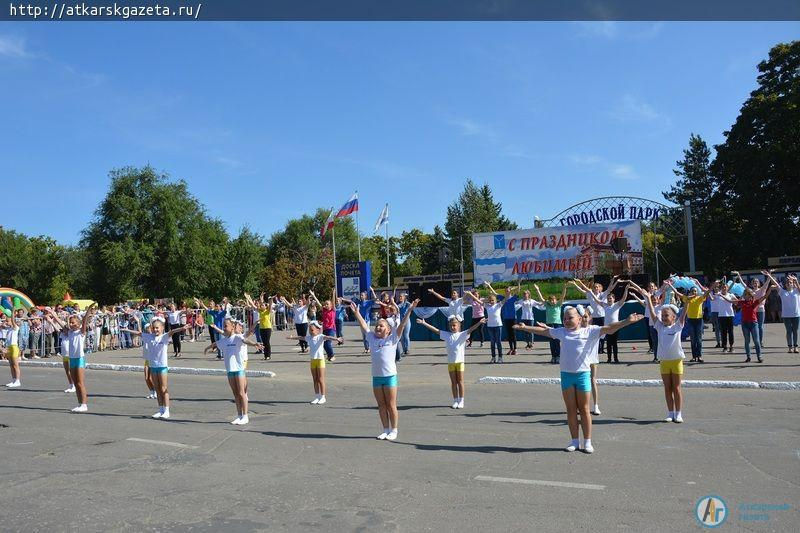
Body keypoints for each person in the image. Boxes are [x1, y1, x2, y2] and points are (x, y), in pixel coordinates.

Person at [515, 307, 643, 453]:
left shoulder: (590, 331)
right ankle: (574, 441)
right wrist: (525, 328)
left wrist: (626, 321)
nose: (567, 321)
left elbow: (609, 329)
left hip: (582, 375)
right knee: (570, 410)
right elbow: (543, 332)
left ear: (579, 319)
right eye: (565, 318)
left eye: (570, 318)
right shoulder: (561, 332)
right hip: (566, 376)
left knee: (584, 409)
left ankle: (587, 442)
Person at [350, 298, 419, 441]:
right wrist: (357, 314)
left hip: (390, 377)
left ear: (388, 330)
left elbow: (403, 324)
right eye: (377, 326)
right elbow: (364, 326)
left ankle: (394, 430)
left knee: (391, 404)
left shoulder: (393, 338)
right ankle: (385, 429)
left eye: (381, 326)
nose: (378, 328)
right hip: (376, 377)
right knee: (381, 406)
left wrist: (410, 310)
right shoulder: (372, 338)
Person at [632, 283, 688, 423]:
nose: (663, 317)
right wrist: (648, 299)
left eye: (666, 315)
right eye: (662, 315)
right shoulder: (658, 326)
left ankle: (678, 413)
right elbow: (651, 312)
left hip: (676, 361)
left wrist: (686, 302)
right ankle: (670, 413)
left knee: (676, 388)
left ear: (674, 317)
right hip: (664, 361)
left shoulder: (677, 326)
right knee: (667, 388)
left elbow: (683, 314)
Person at [122, 316, 190, 418]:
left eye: (157, 328)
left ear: (162, 328)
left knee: (163, 388)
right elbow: (139, 333)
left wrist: (182, 328)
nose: (155, 330)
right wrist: (126, 330)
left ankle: (167, 410)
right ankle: (161, 409)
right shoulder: (149, 337)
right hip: (153, 366)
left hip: (162, 366)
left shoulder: (165, 337)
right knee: (157, 389)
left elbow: (172, 331)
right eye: (154, 328)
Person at [418, 315, 486, 408]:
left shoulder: (463, 334)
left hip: (460, 362)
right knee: (454, 382)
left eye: (455, 325)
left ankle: (461, 400)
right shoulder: (447, 335)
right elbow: (436, 330)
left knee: (460, 381)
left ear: (459, 326)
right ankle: (455, 400)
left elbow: (471, 329)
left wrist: (479, 323)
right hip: (451, 363)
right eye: (451, 326)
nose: (453, 327)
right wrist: (424, 323)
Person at [205, 317, 263, 424]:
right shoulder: (224, 340)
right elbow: (215, 344)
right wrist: (207, 348)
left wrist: (254, 344)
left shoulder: (237, 337)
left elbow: (245, 340)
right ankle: (239, 415)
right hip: (230, 371)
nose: (224, 328)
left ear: (232, 327)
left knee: (242, 393)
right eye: (224, 326)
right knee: (235, 393)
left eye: (226, 326)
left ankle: (245, 416)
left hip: (239, 369)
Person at [288, 320, 342, 405]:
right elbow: (301, 337)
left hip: (320, 360)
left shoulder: (321, 336)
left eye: (312, 330)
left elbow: (328, 337)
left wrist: (336, 339)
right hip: (313, 360)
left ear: (318, 330)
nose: (311, 332)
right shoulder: (309, 337)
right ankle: (317, 396)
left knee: (321, 379)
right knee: (315, 379)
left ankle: (323, 397)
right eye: (310, 330)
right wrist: (291, 338)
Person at [571, 276, 620, 354]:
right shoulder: (590, 294)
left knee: (604, 333)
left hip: (602, 316)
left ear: (600, 288)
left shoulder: (603, 295)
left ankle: (602, 349)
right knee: (596, 333)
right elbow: (582, 289)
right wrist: (576, 283)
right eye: (595, 287)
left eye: (598, 287)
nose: (596, 288)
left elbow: (610, 288)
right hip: (594, 317)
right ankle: (597, 348)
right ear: (593, 288)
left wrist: (613, 279)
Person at [730, 282, 774, 363]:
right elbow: (731, 301)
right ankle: (748, 357)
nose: (746, 295)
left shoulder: (755, 302)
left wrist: (770, 289)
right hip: (745, 324)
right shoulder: (742, 302)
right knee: (747, 341)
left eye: (747, 294)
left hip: (753, 323)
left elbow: (765, 296)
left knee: (756, 341)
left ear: (750, 295)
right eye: (745, 294)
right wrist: (722, 296)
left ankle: (759, 356)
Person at [588, 282, 630, 364]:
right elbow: (597, 300)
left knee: (614, 343)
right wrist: (591, 293)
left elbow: (624, 298)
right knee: (608, 343)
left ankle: (616, 358)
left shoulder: (617, 305)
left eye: (611, 298)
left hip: (615, 327)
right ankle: (609, 359)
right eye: (608, 298)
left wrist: (626, 289)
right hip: (607, 327)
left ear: (614, 299)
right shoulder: (605, 305)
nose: (609, 300)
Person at [763, 271, 799, 353]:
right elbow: (776, 283)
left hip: (796, 314)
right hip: (786, 315)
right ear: (786, 285)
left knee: (795, 331)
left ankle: (796, 346)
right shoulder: (783, 292)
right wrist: (769, 275)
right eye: (788, 283)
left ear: (793, 284)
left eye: (791, 282)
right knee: (789, 331)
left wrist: (795, 280)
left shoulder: (797, 291)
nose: (790, 283)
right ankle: (790, 347)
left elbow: (799, 287)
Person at [675, 278, 709, 363]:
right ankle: (694, 356)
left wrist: (713, 285)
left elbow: (707, 293)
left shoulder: (699, 298)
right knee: (693, 339)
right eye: (693, 291)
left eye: (695, 291)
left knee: (699, 339)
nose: (694, 292)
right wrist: (671, 285)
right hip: (690, 320)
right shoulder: (688, 299)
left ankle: (699, 356)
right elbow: (678, 293)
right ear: (690, 292)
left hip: (699, 320)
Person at [534, 282, 567, 364]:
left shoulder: (559, 304)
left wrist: (565, 288)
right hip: (549, 324)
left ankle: (558, 357)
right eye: (551, 300)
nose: (552, 301)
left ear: (556, 300)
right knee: (551, 341)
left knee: (557, 341)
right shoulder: (547, 305)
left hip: (557, 324)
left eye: (554, 300)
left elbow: (563, 296)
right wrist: (537, 290)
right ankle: (553, 357)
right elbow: (541, 298)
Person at [473, 283, 505, 363]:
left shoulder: (499, 305)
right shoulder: (487, 306)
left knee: (498, 342)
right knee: (492, 343)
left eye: (493, 300)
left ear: (496, 300)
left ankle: (500, 357)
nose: (491, 302)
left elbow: (505, 298)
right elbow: (478, 300)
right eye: (490, 300)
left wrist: (508, 292)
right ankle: (493, 357)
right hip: (490, 326)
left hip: (498, 326)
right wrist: (470, 294)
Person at [308, 289, 338, 361]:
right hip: (325, 329)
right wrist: (313, 295)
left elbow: (333, 302)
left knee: (327, 343)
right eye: (325, 304)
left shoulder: (333, 310)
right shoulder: (324, 310)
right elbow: (318, 302)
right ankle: (329, 356)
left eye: (327, 304)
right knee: (324, 344)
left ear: (331, 305)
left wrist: (333, 293)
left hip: (331, 329)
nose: (325, 305)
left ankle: (332, 355)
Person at [709, 284, 736, 353]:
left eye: (725, 287)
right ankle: (725, 347)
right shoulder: (718, 295)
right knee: (723, 332)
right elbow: (712, 299)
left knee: (730, 332)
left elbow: (736, 302)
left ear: (727, 288)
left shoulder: (731, 295)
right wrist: (708, 292)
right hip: (721, 315)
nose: (724, 288)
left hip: (730, 315)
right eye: (723, 287)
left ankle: (731, 346)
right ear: (721, 289)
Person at [1, 309, 22, 388]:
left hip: (14, 347)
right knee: (11, 365)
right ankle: (13, 380)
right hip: (9, 347)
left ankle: (18, 381)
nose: (7, 321)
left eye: (8, 320)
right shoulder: (9, 329)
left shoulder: (15, 327)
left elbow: (12, 320)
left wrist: (13, 312)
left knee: (15, 365)